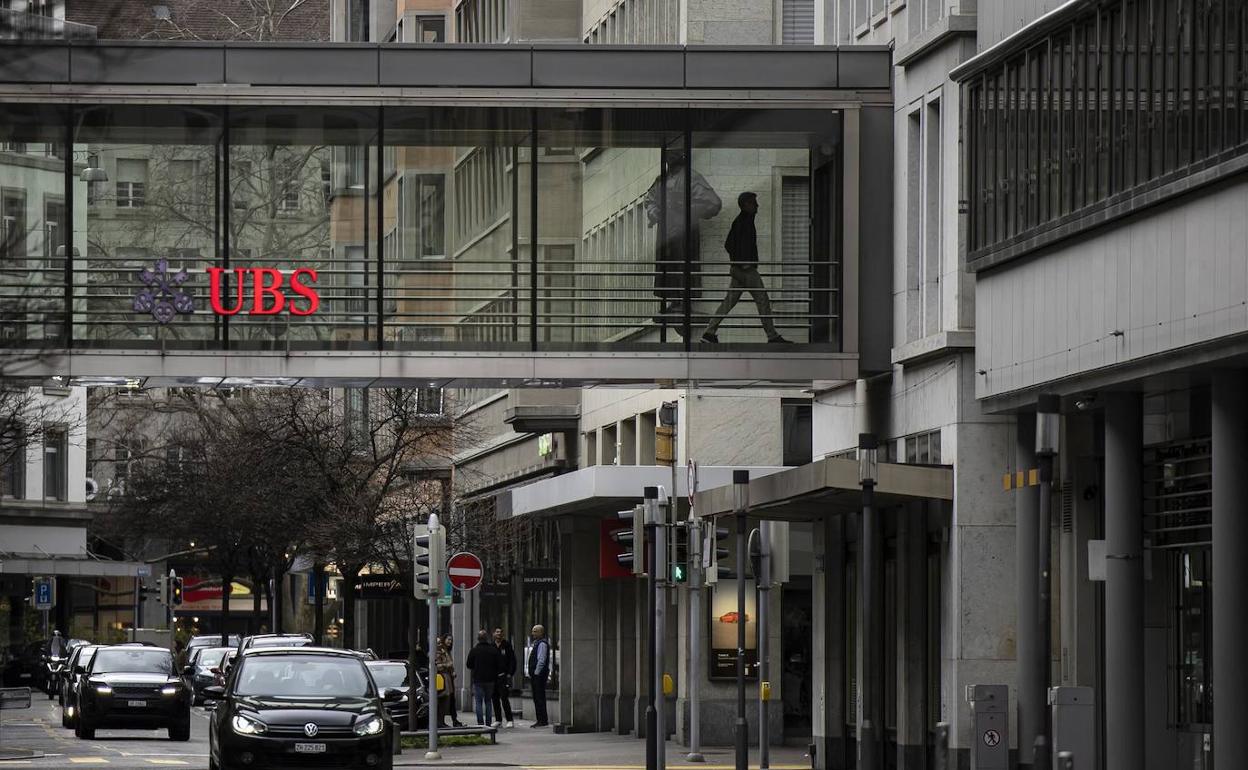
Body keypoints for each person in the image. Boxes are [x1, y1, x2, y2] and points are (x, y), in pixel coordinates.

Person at [644, 150, 722, 328]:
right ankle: (673, 301)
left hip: (684, 231)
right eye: (668, 156)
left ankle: (683, 302)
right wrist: (654, 211)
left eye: (673, 156)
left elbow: (713, 203)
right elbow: (650, 200)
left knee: (683, 263)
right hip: (665, 232)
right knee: (667, 265)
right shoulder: (660, 180)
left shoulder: (692, 178)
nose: (669, 160)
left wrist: (686, 208)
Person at [701, 191, 789, 344]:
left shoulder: (743, 220)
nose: (757, 206)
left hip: (739, 270)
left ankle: (709, 332)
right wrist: (744, 262)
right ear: (746, 204)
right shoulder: (744, 221)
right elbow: (729, 244)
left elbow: (729, 244)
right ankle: (772, 335)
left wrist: (737, 262)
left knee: (728, 302)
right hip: (746, 270)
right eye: (754, 203)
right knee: (762, 299)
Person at [466, 630, 500, 727]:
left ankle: (480, 723)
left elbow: (469, 664)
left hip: (478, 679)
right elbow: (498, 664)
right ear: (487, 638)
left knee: (478, 702)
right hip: (490, 680)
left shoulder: (474, 650)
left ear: (478, 639)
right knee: (488, 701)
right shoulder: (493, 650)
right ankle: (488, 723)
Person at [436, 635, 464, 728]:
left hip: (448, 678)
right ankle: (441, 721)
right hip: (442, 678)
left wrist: (452, 671)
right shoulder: (439, 651)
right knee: (443, 699)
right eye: (448, 640)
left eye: (451, 640)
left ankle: (447, 720)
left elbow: (450, 665)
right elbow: (438, 666)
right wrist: (448, 665)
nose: (450, 642)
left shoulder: (446, 651)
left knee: (448, 700)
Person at [491, 628, 517, 728]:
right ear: (494, 634)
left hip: (503, 676)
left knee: (504, 698)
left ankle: (510, 720)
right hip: (494, 677)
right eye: (497, 632)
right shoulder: (492, 646)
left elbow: (512, 660)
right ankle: (498, 720)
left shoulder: (507, 645)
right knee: (495, 698)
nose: (499, 634)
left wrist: (510, 673)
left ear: (503, 634)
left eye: (500, 632)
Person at [527, 624, 551, 728]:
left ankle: (542, 720)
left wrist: (536, 673)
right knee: (537, 697)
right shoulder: (537, 643)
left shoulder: (542, 644)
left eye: (535, 631)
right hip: (537, 675)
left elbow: (541, 660)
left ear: (541, 632)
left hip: (539, 675)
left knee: (539, 697)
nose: (533, 634)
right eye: (533, 631)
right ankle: (540, 719)